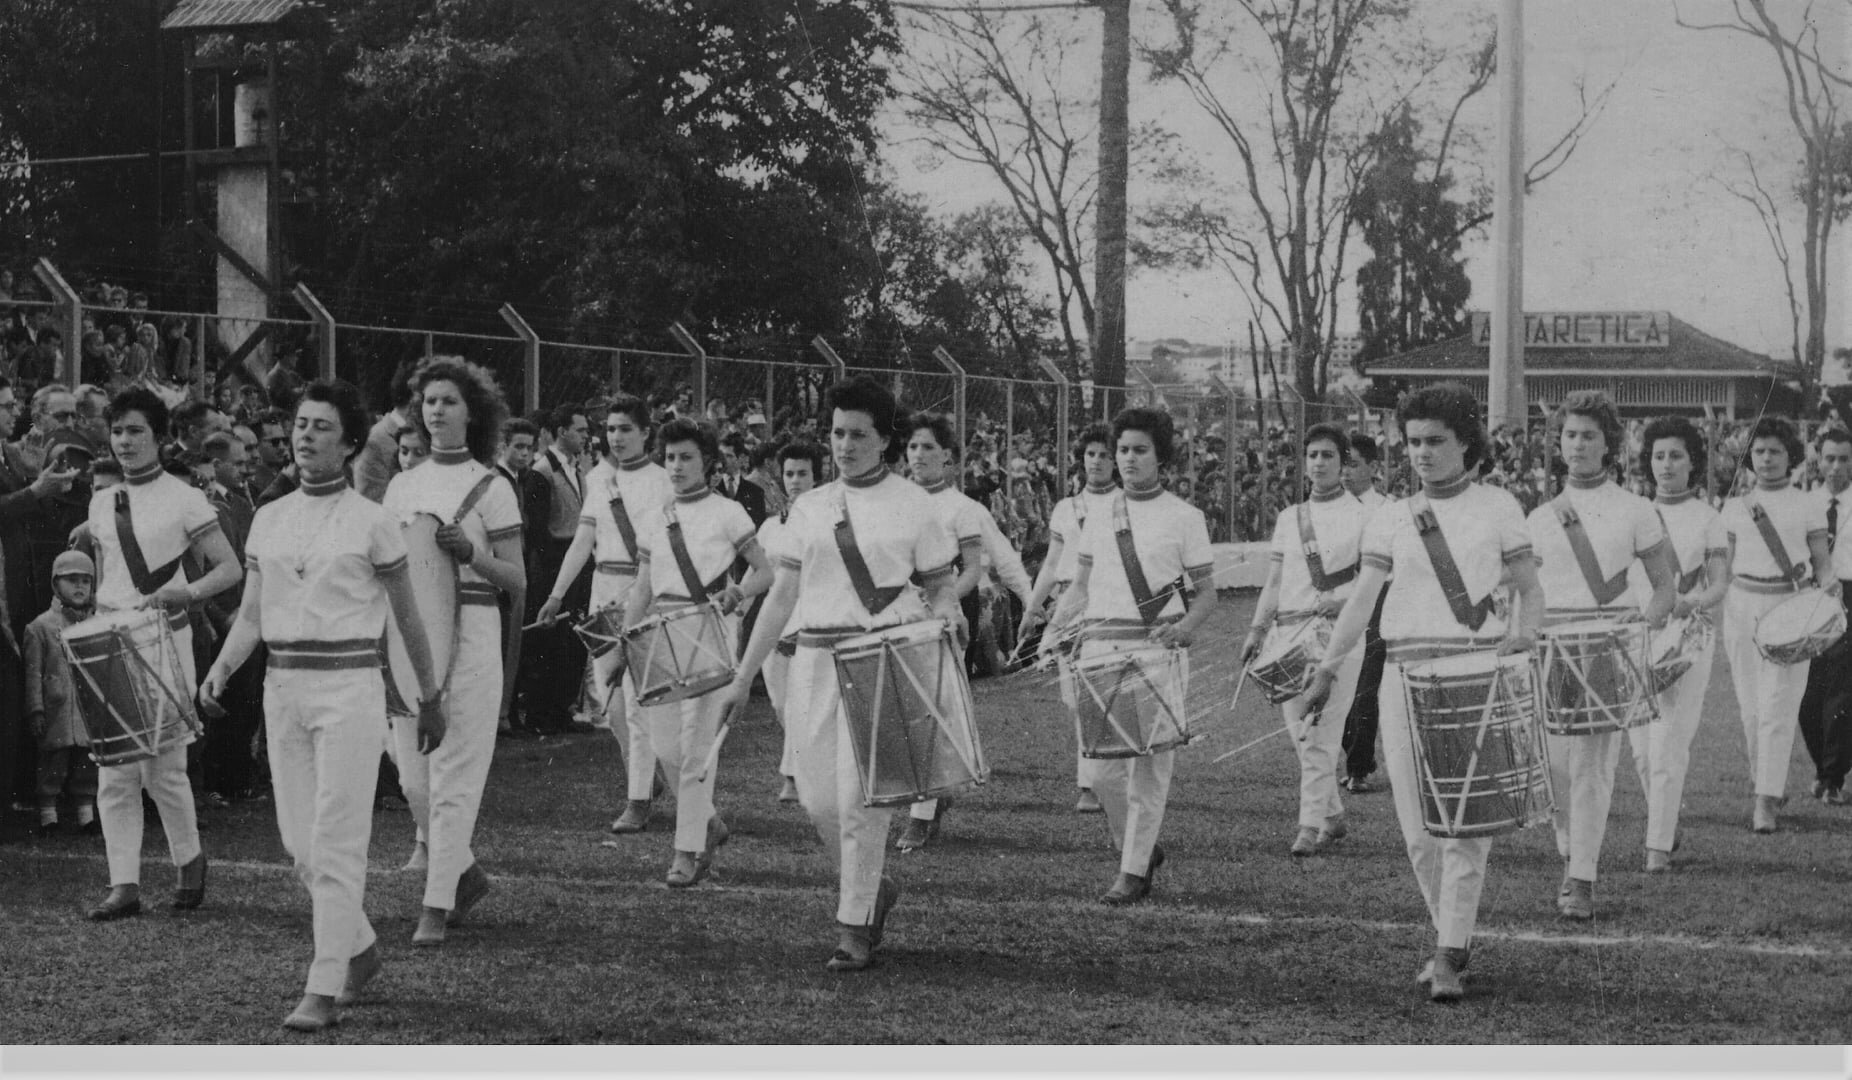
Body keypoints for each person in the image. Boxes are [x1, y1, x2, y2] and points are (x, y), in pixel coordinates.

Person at [200, 378, 448, 1033]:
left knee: (336, 842)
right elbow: (253, 612)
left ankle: (324, 983)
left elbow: (409, 620)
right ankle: (360, 948)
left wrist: (429, 697)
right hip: (283, 689)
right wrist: (221, 669)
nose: (306, 436)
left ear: (348, 443)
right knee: (296, 841)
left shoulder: (374, 522)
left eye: (321, 427)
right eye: (301, 424)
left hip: (349, 690)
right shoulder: (272, 517)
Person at [713, 375, 963, 971]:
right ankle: (874, 889)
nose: (844, 445)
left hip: (885, 661)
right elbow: (781, 595)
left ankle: (853, 926)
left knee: (861, 799)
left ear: (885, 440)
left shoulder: (915, 505)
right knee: (820, 802)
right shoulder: (810, 506)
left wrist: (949, 619)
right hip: (815, 664)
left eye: (858, 435)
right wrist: (743, 675)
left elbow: (941, 588)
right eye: (837, 433)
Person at [1304, 381, 1544, 1003]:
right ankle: (1452, 936)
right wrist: (1330, 667)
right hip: (1402, 679)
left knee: (1465, 826)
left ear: (1468, 443)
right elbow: (1362, 599)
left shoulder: (1499, 506)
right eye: (1412, 442)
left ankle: (1447, 953)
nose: (1422, 453)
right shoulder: (1390, 515)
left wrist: (1524, 635)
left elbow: (1529, 587)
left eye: (1436, 441)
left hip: (1474, 674)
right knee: (1418, 832)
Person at [1048, 406, 1220, 906]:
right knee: (1101, 771)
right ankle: (1138, 849)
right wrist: (1054, 630)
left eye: (1139, 450)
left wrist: (1185, 629)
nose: (1127, 459)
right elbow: (1080, 585)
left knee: (1150, 771)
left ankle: (1132, 869)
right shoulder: (1096, 514)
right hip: (1101, 649)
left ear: (1161, 456)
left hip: (1155, 651)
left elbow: (1206, 594)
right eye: (1122, 449)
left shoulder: (1185, 517)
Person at [83, 386, 242, 920]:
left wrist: (188, 593)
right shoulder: (102, 500)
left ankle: (189, 861)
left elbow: (228, 568)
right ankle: (123, 884)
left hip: (165, 637)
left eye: (136, 432)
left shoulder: (185, 497)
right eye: (118, 431)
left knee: (165, 769)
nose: (124, 442)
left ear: (159, 438)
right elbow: (109, 576)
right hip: (112, 638)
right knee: (114, 771)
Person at [381, 357, 525, 946]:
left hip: (475, 633)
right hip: (410, 633)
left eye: (449, 401)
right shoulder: (400, 485)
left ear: (474, 414)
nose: (436, 410)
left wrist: (470, 553)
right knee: (414, 777)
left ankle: (435, 906)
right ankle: (462, 872)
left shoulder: (494, 485)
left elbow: (516, 579)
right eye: (430, 401)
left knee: (455, 776)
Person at [1525, 391, 1674, 920]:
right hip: (1550, 651)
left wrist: (1642, 627)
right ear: (1559, 443)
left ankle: (1580, 876)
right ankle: (1572, 844)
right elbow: (1526, 590)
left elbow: (1663, 588)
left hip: (1608, 650)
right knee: (1555, 771)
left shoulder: (1637, 509)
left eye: (1590, 435)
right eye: (1570, 434)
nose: (1579, 444)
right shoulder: (1541, 517)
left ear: (1609, 443)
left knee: (1593, 767)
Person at [625, 418, 767, 886]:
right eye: (669, 457)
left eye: (686, 457)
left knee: (697, 750)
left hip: (711, 630)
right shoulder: (655, 514)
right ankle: (707, 821)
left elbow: (764, 573)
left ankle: (686, 851)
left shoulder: (728, 512)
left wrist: (737, 595)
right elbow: (644, 584)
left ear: (707, 462)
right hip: (661, 635)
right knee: (664, 745)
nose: (676, 465)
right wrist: (626, 639)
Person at [535, 395, 672, 833]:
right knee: (609, 704)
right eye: (611, 429)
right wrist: (557, 594)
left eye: (626, 429)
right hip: (603, 592)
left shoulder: (663, 480)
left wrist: (647, 594)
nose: (616, 437)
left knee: (635, 702)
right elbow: (582, 540)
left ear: (646, 432)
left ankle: (637, 801)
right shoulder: (598, 478)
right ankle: (648, 775)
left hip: (644, 592)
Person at [1241, 423, 1368, 857]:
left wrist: (1344, 601)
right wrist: (1257, 629)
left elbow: (1377, 583)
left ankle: (1309, 825)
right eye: (1311, 454)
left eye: (1327, 455)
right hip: (1287, 635)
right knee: (1300, 734)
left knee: (1320, 732)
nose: (1318, 463)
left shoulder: (1364, 515)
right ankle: (1331, 816)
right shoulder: (1288, 517)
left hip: (1339, 637)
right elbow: (1275, 580)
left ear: (1343, 461)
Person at [1721, 415, 1835, 835]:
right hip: (1741, 609)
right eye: (1759, 450)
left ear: (1791, 456)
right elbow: (1724, 568)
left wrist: (1830, 587)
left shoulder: (1807, 503)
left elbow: (1822, 563)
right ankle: (1766, 783)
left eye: (1775, 451)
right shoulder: (1733, 506)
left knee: (1779, 708)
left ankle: (1765, 801)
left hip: (1791, 608)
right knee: (1752, 710)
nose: (1766, 458)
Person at [1630, 416, 1730, 872]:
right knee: (1641, 750)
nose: (1666, 464)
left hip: (1689, 639)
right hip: (1638, 637)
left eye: (1676, 455)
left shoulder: (1709, 517)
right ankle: (1665, 826)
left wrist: (1692, 601)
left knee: (1669, 740)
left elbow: (1719, 583)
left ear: (1693, 462)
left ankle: (1656, 849)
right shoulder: (1633, 512)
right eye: (1658, 456)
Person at [896, 412, 988, 851]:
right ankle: (933, 795)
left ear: (948, 457)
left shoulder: (962, 508)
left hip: (946, 609)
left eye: (928, 447)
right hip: (899, 611)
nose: (918, 455)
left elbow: (973, 567)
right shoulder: (892, 500)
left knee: (933, 709)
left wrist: (943, 602)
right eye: (912, 447)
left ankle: (921, 813)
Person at [1017, 423, 1118, 814]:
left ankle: (1091, 784)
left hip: (1106, 603)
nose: (1097, 461)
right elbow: (1052, 563)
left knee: (1101, 692)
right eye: (1091, 454)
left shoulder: (1124, 503)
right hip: (1067, 604)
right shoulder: (1065, 508)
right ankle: (1097, 775)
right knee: (1075, 698)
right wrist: (1033, 607)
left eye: (1105, 455)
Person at [738, 439, 825, 803]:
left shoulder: (826, 523)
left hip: (814, 624)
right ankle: (805, 765)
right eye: (789, 473)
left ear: (816, 478)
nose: (795, 481)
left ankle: (793, 775)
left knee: (802, 703)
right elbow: (755, 576)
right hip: (776, 624)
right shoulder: (771, 527)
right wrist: (737, 604)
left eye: (803, 473)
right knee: (779, 704)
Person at [24, 550, 99, 835]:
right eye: (71, 580)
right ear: (56, 585)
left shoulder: (96, 625)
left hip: (87, 711)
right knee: (53, 761)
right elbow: (33, 673)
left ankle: (85, 813)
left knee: (87, 761)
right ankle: (48, 813)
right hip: (55, 707)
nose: (79, 587)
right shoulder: (40, 627)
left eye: (85, 581)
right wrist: (35, 709)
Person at [526, 404, 590, 734]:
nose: (586, 435)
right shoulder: (543, 470)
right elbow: (537, 530)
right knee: (548, 640)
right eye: (579, 430)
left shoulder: (576, 468)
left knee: (571, 638)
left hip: (576, 559)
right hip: (554, 562)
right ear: (562, 431)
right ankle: (541, 712)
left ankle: (561, 707)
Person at [1798, 427, 1852, 804]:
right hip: (1811, 598)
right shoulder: (1805, 503)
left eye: (1844, 459)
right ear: (1817, 458)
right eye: (1829, 458)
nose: (1835, 467)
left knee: (1841, 691)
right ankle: (1825, 769)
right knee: (1807, 694)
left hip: (1849, 594)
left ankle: (1832, 778)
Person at [1340, 430, 1391, 793]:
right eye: (1342, 463)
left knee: (1364, 688)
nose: (1344, 471)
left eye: (1353, 464)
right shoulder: (1328, 510)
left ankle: (1359, 765)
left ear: (1373, 468)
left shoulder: (1387, 511)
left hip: (1376, 603)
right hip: (1333, 604)